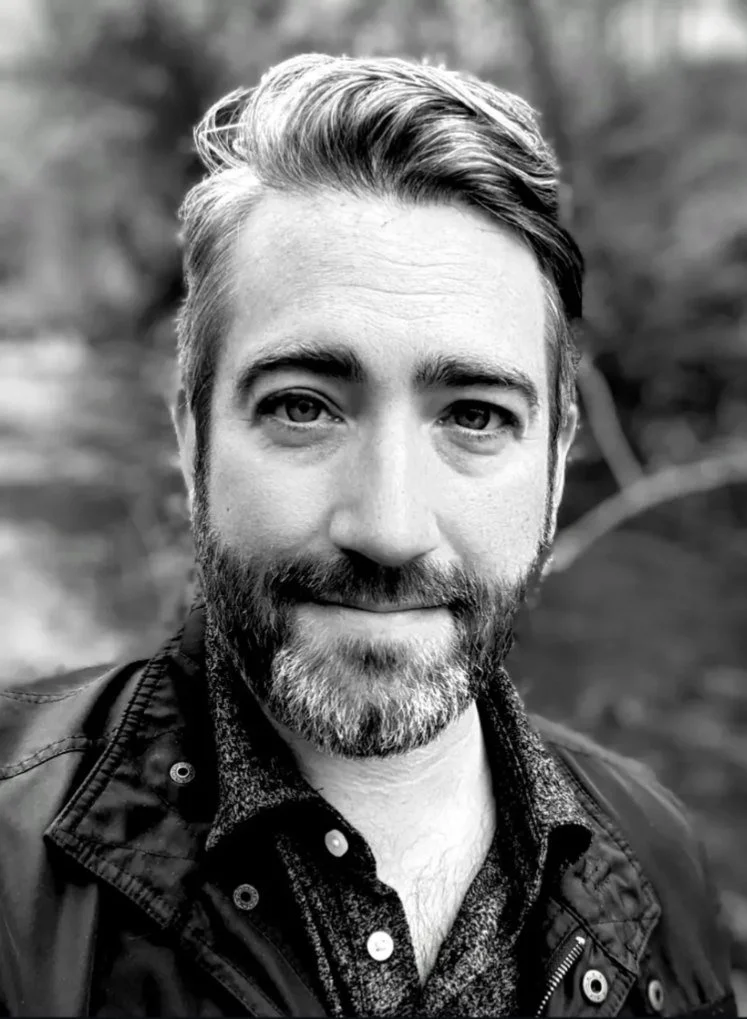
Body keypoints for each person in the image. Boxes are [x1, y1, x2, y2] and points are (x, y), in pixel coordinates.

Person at [0, 53, 736, 1018]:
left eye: (473, 416)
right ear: (190, 436)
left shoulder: (655, 855)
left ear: (557, 464)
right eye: (303, 406)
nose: (389, 528)